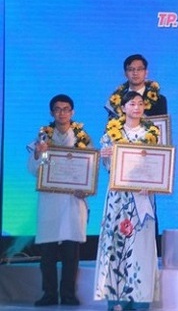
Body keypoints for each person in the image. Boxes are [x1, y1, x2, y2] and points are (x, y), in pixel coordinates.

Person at [94, 91, 161, 311]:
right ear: (123, 108)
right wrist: (105, 156)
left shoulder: (152, 133)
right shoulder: (111, 134)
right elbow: (108, 168)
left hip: (142, 196)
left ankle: (140, 299)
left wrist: (151, 182)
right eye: (132, 103)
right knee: (115, 245)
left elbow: (158, 164)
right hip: (118, 197)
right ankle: (116, 300)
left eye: (140, 103)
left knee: (141, 246)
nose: (137, 107)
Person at [27, 94, 93, 307]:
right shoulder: (43, 138)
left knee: (71, 253)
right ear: (52, 113)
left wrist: (86, 190)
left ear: (72, 112)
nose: (62, 113)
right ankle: (48, 294)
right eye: (57, 109)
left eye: (66, 109)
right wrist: (38, 154)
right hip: (50, 199)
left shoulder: (82, 138)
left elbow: (90, 169)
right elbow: (33, 170)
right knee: (47, 253)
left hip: (74, 201)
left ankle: (68, 294)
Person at [105, 54, 168, 118]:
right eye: (131, 69)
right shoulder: (117, 100)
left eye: (139, 69)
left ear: (146, 73)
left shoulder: (159, 100)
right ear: (125, 74)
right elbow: (111, 126)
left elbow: (161, 125)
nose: (135, 73)